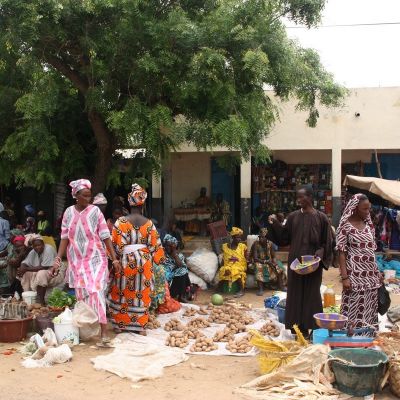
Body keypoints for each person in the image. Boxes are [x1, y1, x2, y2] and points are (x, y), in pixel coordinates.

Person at [51, 179, 121, 345]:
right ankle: (86, 331)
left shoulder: (96, 212)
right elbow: (64, 238)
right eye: (85, 196)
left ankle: (104, 332)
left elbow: (105, 236)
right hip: (76, 261)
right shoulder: (68, 213)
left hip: (96, 259)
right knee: (82, 296)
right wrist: (58, 260)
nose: (88, 199)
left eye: (90, 196)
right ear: (76, 195)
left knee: (96, 292)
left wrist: (114, 258)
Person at [268, 186, 333, 337]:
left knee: (312, 294)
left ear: (310, 197)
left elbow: (328, 241)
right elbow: (284, 237)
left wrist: (321, 251)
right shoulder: (293, 217)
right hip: (295, 263)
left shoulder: (321, 218)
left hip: (314, 263)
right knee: (295, 293)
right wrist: (275, 224)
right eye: (297, 197)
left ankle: (314, 327)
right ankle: (298, 329)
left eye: (302, 197)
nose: (298, 200)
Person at [109, 183, 164, 334]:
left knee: (122, 292)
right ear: (143, 202)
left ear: (129, 202)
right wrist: (159, 260)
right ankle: (139, 326)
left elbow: (114, 246)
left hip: (125, 263)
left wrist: (114, 261)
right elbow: (156, 248)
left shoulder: (120, 222)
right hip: (145, 263)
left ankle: (121, 325)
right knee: (142, 293)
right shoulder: (149, 224)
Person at [336, 194, 382, 331]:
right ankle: (350, 336)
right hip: (354, 275)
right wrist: (345, 278)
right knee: (353, 305)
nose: (368, 212)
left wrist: (377, 271)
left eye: (369, 209)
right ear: (355, 208)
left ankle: (367, 336)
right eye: (364, 209)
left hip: (370, 275)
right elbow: (341, 253)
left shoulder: (369, 226)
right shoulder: (345, 227)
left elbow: (371, 251)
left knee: (370, 305)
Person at [17, 235, 64, 304]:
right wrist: (22, 268)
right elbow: (25, 262)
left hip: (55, 273)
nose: (38, 247)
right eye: (35, 246)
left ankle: (41, 301)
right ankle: (27, 298)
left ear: (43, 244)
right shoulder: (33, 252)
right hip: (41, 272)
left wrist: (26, 269)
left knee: (41, 274)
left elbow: (45, 267)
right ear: (33, 246)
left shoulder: (49, 249)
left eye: (39, 245)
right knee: (26, 274)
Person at [250, 228, 285, 295]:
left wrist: (274, 262)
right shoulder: (255, 244)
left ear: (267, 239)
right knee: (258, 266)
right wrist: (266, 262)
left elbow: (273, 256)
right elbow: (255, 258)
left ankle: (281, 286)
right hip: (258, 261)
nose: (261, 239)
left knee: (279, 265)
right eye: (260, 237)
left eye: (263, 238)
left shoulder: (270, 244)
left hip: (268, 261)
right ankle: (260, 289)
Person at [218, 227, 248, 297]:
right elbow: (224, 258)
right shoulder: (225, 246)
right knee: (224, 270)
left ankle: (241, 290)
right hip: (228, 265)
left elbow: (246, 258)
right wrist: (222, 265)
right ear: (233, 238)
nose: (239, 239)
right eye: (237, 238)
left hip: (240, 265)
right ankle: (219, 287)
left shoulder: (242, 246)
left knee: (234, 270)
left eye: (240, 238)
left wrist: (238, 260)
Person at [163, 234, 191, 302]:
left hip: (174, 282)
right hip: (165, 283)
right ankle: (182, 294)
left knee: (182, 270)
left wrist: (174, 252)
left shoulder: (179, 256)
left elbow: (180, 264)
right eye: (166, 245)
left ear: (174, 247)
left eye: (170, 246)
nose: (168, 247)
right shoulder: (162, 254)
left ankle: (181, 295)